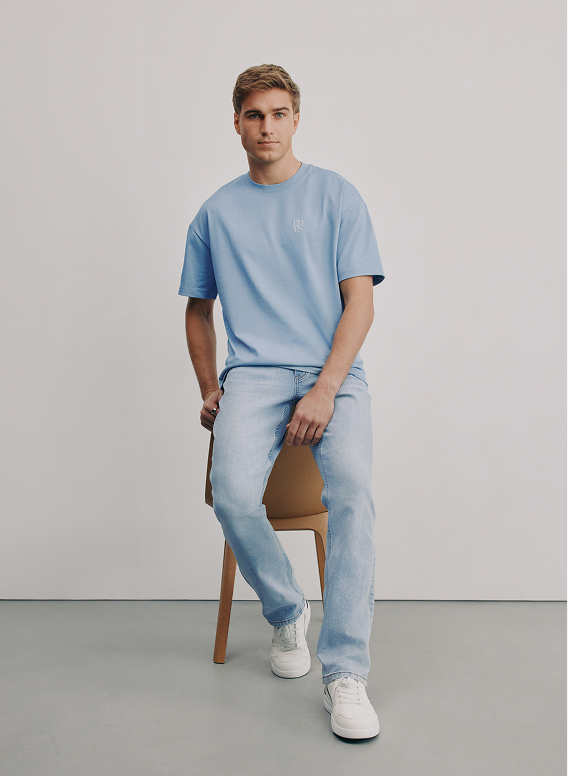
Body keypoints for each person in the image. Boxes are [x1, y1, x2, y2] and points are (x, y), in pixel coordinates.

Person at [179, 64, 385, 740]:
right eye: (254, 115)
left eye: (278, 113)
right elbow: (198, 310)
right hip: (255, 375)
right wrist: (209, 386)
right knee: (232, 493)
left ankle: (345, 671)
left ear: (296, 119)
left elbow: (361, 303)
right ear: (236, 124)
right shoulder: (215, 213)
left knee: (351, 491)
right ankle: (286, 610)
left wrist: (326, 388)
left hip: (334, 372)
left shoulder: (336, 195)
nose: (266, 126)